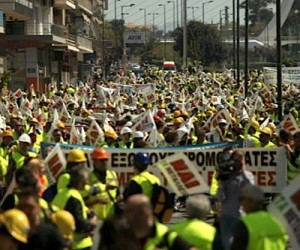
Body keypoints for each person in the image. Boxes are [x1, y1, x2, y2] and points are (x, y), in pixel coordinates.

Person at [215, 148, 254, 250]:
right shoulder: (227, 176)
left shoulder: (248, 175)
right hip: (227, 216)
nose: (238, 163)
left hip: (242, 216)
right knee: (228, 245)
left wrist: (243, 171)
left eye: (240, 161)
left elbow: (252, 191)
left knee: (243, 245)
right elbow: (221, 197)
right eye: (235, 161)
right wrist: (221, 182)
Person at [124, 194, 194, 250]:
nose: (125, 215)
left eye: (129, 211)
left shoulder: (167, 236)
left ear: (144, 212)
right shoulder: (121, 235)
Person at [231, 183, 288, 250]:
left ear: (249, 200)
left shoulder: (245, 223)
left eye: (241, 199)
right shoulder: (278, 221)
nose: (240, 203)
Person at [52, 167, 97, 250]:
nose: (87, 183)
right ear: (81, 181)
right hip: (78, 245)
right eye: (85, 180)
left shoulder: (63, 193)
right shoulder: (74, 198)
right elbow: (79, 225)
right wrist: (91, 223)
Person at [86, 147, 122, 220]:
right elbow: (84, 202)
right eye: (102, 160)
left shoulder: (113, 174)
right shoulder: (88, 178)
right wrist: (97, 200)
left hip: (112, 220)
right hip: (96, 220)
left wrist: (120, 199)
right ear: (94, 161)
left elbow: (118, 195)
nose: (105, 162)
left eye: (106, 159)